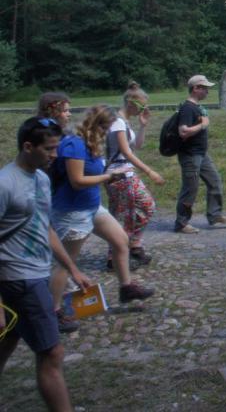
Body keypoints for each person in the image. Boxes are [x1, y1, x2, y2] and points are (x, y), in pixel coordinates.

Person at [0, 118, 93, 412]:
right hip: (19, 276)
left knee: (8, 342)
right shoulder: (5, 184)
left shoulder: (41, 177)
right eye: (49, 149)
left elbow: (46, 228)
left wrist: (73, 269)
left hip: (37, 272)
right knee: (52, 352)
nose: (56, 155)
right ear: (28, 147)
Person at [48, 106, 155, 323]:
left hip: (92, 206)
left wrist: (110, 175)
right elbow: (77, 181)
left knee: (121, 240)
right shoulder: (75, 145)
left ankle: (126, 288)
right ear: (98, 125)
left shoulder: (91, 144)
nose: (108, 133)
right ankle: (53, 311)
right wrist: (109, 176)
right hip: (73, 211)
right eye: (107, 128)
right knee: (66, 263)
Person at [104, 82, 164, 267]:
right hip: (118, 174)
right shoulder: (117, 121)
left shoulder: (125, 122)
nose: (143, 109)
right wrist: (149, 171)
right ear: (130, 102)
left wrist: (143, 126)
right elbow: (126, 152)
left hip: (127, 173)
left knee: (147, 206)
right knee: (122, 215)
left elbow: (136, 146)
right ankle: (114, 257)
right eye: (141, 106)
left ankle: (134, 244)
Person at [175, 75, 226, 233]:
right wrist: (203, 125)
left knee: (215, 181)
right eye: (205, 88)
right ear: (196, 88)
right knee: (190, 190)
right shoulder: (187, 108)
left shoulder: (196, 107)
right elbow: (183, 131)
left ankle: (214, 216)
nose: (208, 91)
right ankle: (181, 223)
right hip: (190, 156)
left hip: (201, 154)